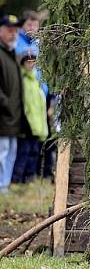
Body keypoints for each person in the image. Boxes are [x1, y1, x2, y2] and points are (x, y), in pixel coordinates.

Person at [12, 45, 48, 183]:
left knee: (34, 152)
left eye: (33, 61)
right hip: (25, 123)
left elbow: (39, 103)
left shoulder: (36, 80)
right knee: (23, 152)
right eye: (28, 62)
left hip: (37, 123)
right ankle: (17, 178)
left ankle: (30, 178)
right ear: (23, 63)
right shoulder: (21, 80)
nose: (31, 64)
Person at [0, 14, 27, 193]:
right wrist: (7, 104)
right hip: (3, 115)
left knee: (11, 152)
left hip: (14, 116)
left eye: (15, 30)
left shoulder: (12, 54)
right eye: (9, 30)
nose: (13, 34)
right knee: (2, 153)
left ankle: (5, 185)